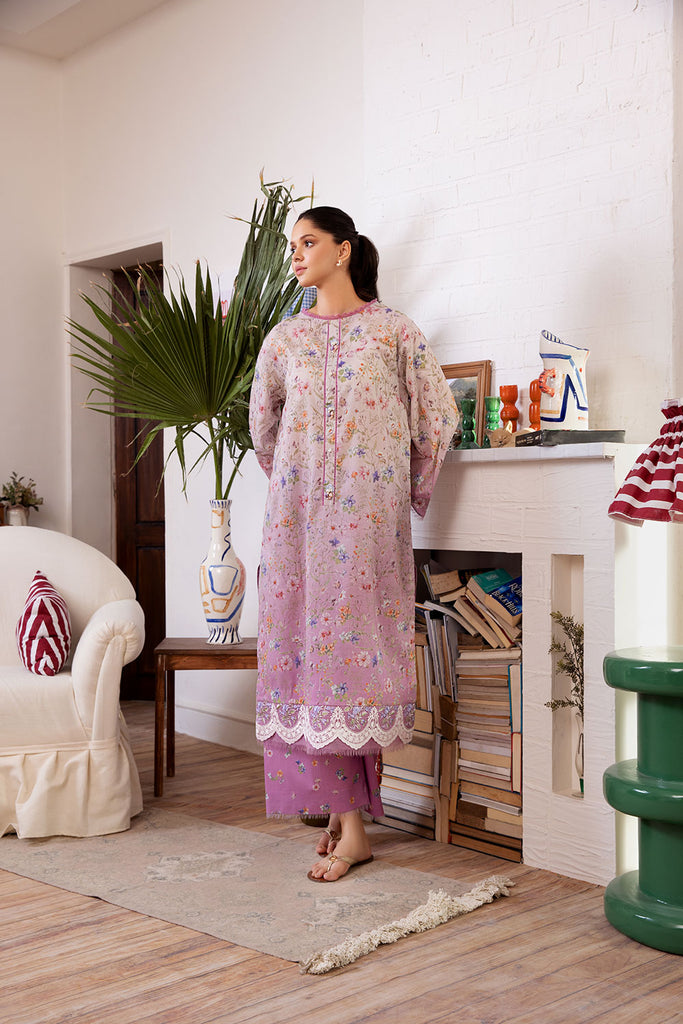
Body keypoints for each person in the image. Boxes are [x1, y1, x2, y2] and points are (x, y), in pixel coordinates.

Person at [249, 206, 458, 881]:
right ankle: (348, 821)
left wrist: (400, 491)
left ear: (343, 250)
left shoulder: (394, 332)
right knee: (304, 657)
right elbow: (263, 428)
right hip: (298, 525)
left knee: (354, 660)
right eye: (292, 245)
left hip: (367, 526)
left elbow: (437, 417)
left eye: (307, 242)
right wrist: (302, 483)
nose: (295, 254)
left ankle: (352, 826)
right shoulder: (285, 338)